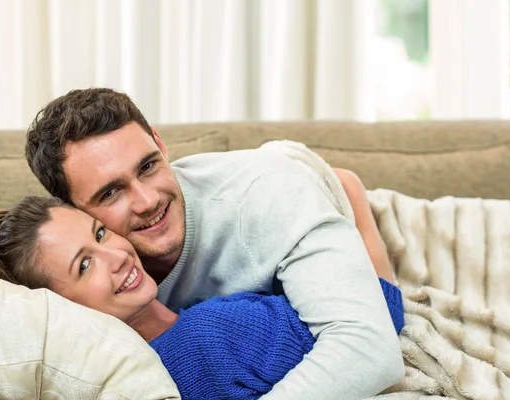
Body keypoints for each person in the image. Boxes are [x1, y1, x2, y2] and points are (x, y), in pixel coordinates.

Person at [24, 88, 404, 398]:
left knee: (388, 308)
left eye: (148, 166)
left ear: (160, 142)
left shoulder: (270, 198)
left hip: (300, 187)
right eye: (111, 193)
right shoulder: (71, 270)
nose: (147, 201)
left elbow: (370, 349)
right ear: (73, 210)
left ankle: (348, 188)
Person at [0, 195, 404, 400]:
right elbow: (382, 315)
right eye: (84, 265)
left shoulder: (178, 341)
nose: (115, 254)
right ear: (60, 307)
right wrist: (355, 204)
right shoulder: (205, 343)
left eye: (99, 233)